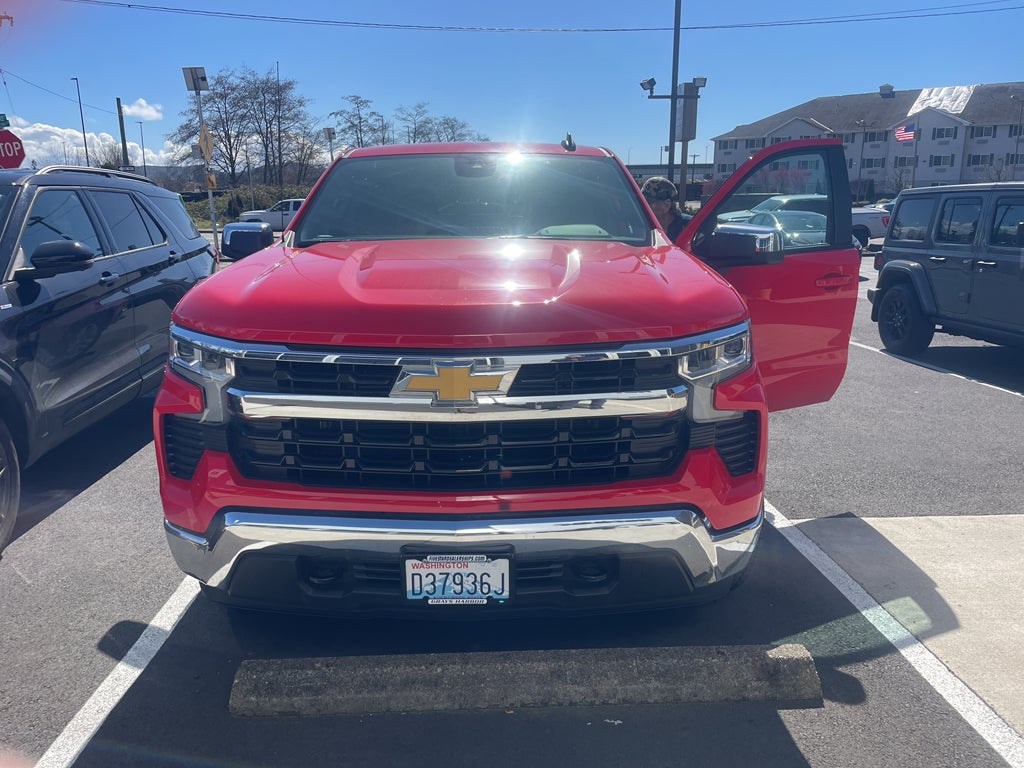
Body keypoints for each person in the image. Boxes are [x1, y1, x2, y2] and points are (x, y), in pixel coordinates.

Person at [641, 176, 692, 243]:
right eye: (641, 201)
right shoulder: (638, 225)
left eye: (649, 202)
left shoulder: (689, 226)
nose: (642, 205)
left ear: (666, 205)